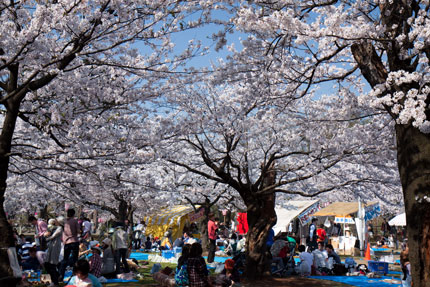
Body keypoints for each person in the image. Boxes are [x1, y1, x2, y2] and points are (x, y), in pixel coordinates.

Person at [59, 208, 81, 281]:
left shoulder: (64, 221)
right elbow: (78, 231)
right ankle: (74, 275)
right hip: (74, 241)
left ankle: (61, 275)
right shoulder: (75, 221)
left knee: (65, 259)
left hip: (66, 242)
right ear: (73, 214)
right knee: (75, 259)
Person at [44, 216, 64, 287]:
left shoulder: (60, 228)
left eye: (56, 220)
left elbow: (53, 236)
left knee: (52, 264)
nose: (55, 221)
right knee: (47, 264)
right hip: (51, 246)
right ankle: (57, 276)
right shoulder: (54, 228)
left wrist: (46, 238)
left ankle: (55, 282)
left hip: (55, 246)